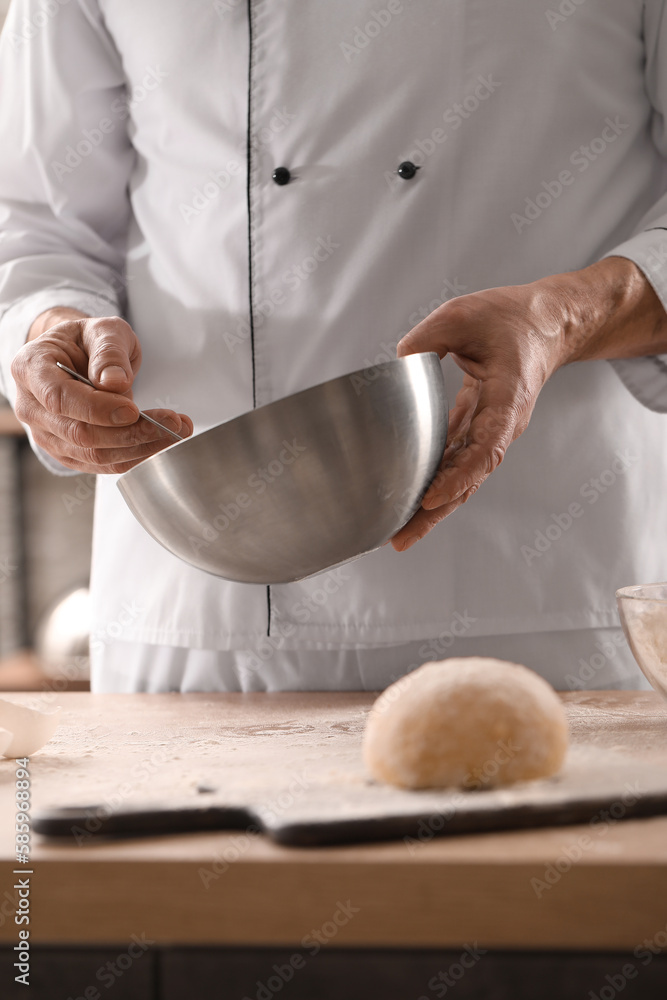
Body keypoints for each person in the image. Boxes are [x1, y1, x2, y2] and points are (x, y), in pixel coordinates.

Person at [0, 1, 666, 694]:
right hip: (196, 617)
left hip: (534, 591)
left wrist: (564, 318)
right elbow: (32, 225)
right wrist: (48, 332)